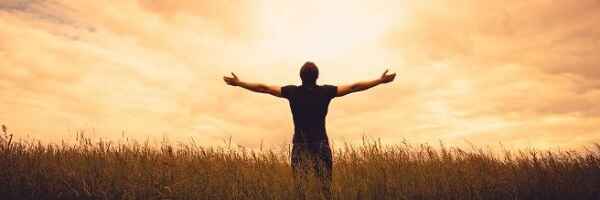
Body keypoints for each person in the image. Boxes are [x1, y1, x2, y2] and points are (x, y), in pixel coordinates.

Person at [223, 61, 396, 199]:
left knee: (300, 190)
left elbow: (265, 88)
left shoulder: (292, 92)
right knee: (325, 189)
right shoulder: (326, 91)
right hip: (321, 144)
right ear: (317, 76)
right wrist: (379, 81)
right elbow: (353, 87)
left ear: (300, 76)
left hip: (300, 145)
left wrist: (239, 83)